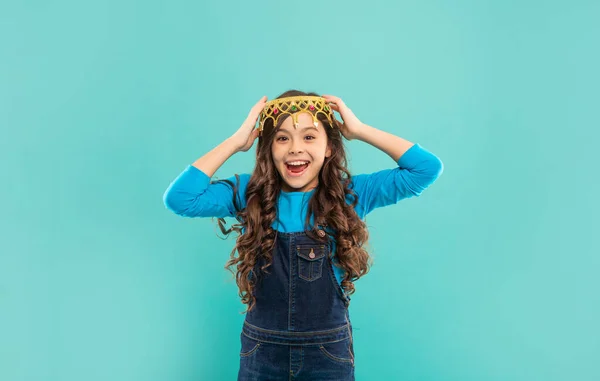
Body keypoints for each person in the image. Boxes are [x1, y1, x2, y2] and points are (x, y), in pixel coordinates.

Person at [163, 90, 443, 380]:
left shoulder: (351, 195)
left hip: (327, 356)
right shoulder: (249, 195)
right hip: (262, 354)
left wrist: (358, 130)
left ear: (329, 148)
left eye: (309, 137)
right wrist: (236, 142)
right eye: (282, 138)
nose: (295, 148)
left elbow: (425, 169)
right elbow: (180, 198)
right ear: (268, 148)